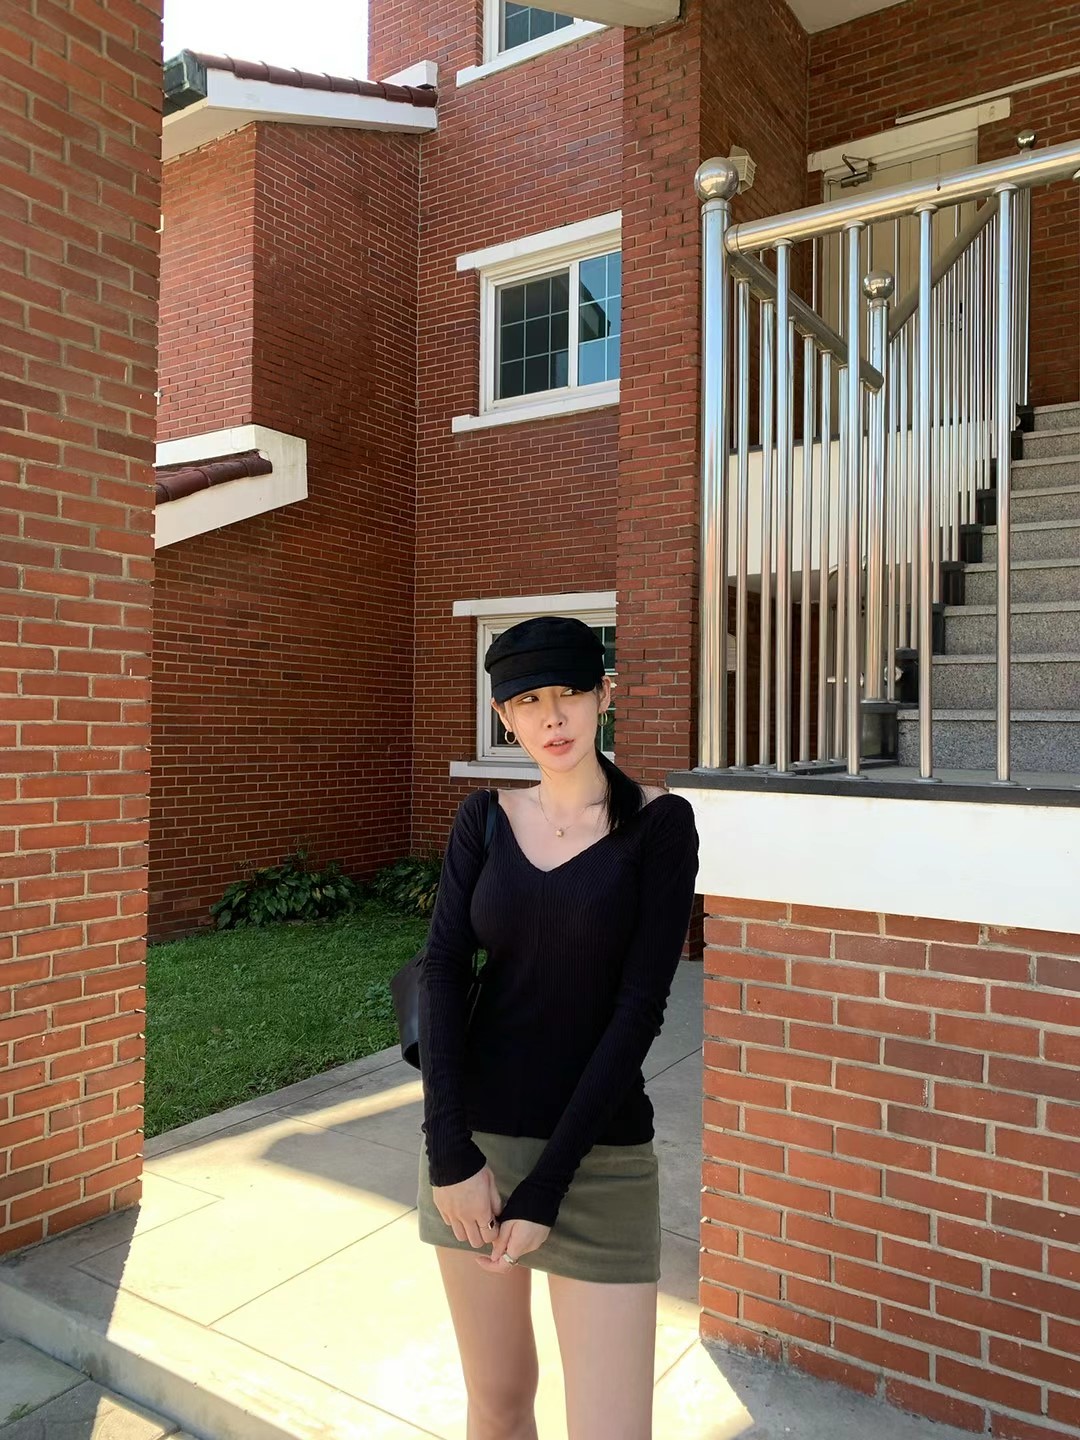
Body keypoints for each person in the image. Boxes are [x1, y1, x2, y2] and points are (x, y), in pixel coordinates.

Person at [416, 615, 700, 1440]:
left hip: (600, 1159)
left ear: (604, 696)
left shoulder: (659, 825)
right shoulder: (484, 819)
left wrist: (548, 1187)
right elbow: (442, 971)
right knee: (498, 1406)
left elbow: (640, 1009)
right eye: (528, 701)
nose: (552, 718)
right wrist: (449, 1151)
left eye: (570, 693)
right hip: (475, 1156)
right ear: (503, 716)